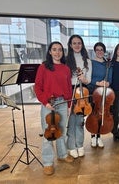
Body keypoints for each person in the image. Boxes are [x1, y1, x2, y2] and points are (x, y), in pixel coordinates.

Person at [34, 41, 74, 176]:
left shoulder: (66, 68)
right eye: (54, 50)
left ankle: (62, 154)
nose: (57, 52)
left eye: (60, 50)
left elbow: (69, 88)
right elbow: (37, 87)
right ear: (50, 52)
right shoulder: (43, 67)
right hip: (49, 103)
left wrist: (69, 105)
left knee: (61, 130)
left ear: (63, 52)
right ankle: (48, 163)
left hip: (63, 103)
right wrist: (45, 102)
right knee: (48, 134)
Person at [66, 35, 92, 158]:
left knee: (80, 121)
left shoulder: (88, 61)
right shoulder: (66, 60)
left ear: (82, 45)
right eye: (74, 43)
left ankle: (80, 145)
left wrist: (83, 78)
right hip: (70, 90)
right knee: (71, 121)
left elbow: (89, 80)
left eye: (79, 43)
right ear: (70, 45)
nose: (77, 45)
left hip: (83, 91)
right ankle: (71, 146)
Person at [87, 42, 113, 148]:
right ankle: (93, 136)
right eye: (97, 49)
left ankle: (99, 137)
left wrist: (107, 83)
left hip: (104, 92)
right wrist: (98, 83)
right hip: (93, 90)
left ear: (104, 51)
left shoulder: (108, 64)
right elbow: (88, 78)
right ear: (94, 51)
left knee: (102, 114)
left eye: (101, 49)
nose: (99, 51)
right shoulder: (90, 62)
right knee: (93, 113)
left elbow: (110, 78)